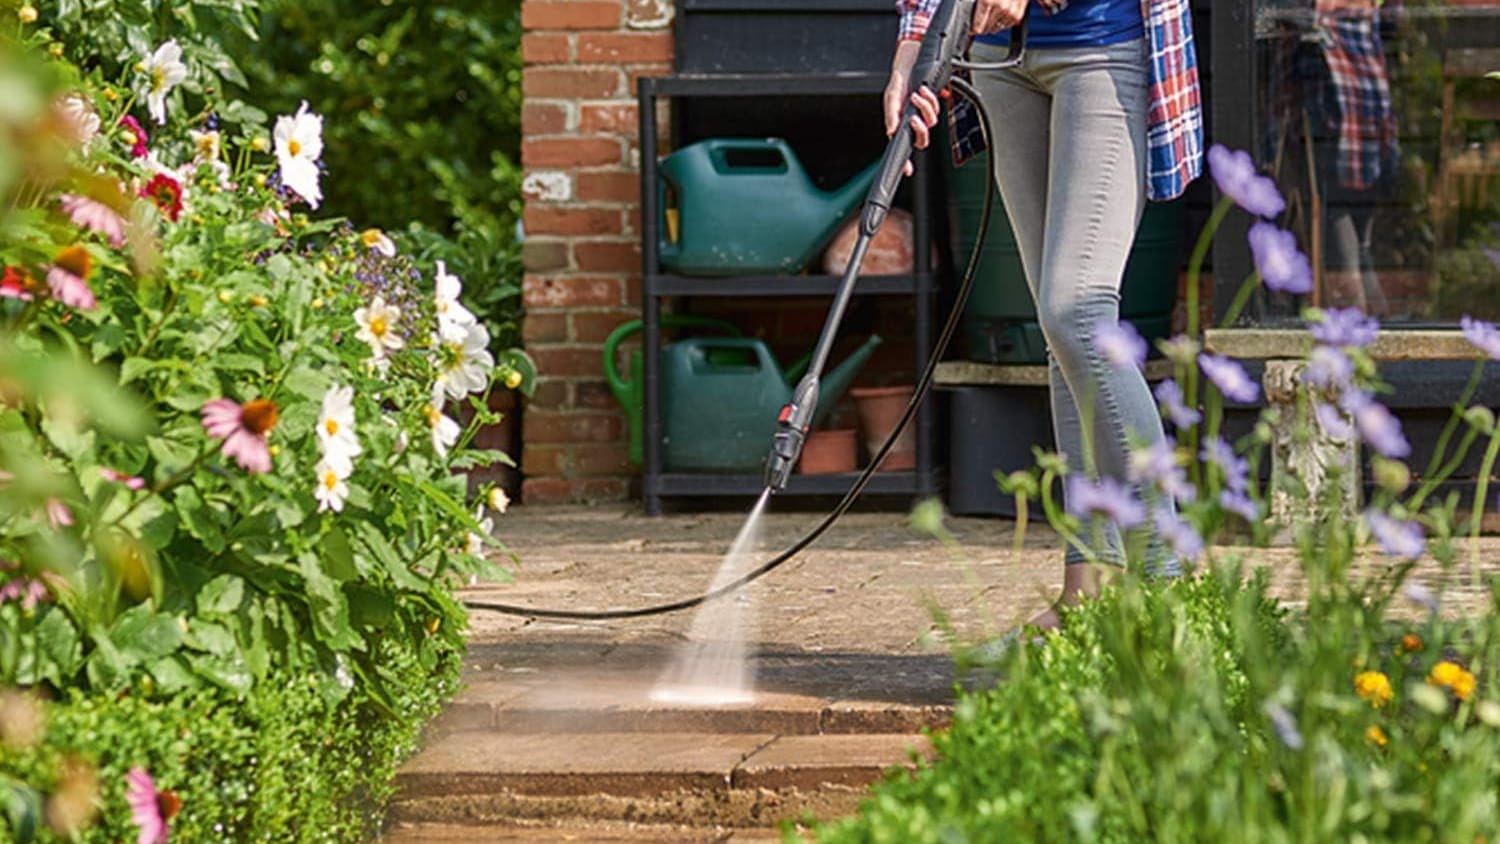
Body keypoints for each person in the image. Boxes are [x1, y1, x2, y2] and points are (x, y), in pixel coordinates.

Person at [885, 0, 1203, 633]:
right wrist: (912, 50)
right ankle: (1084, 596)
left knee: (1075, 309)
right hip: (1000, 61)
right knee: (1061, 335)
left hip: (1104, 49)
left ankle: (1169, 581)